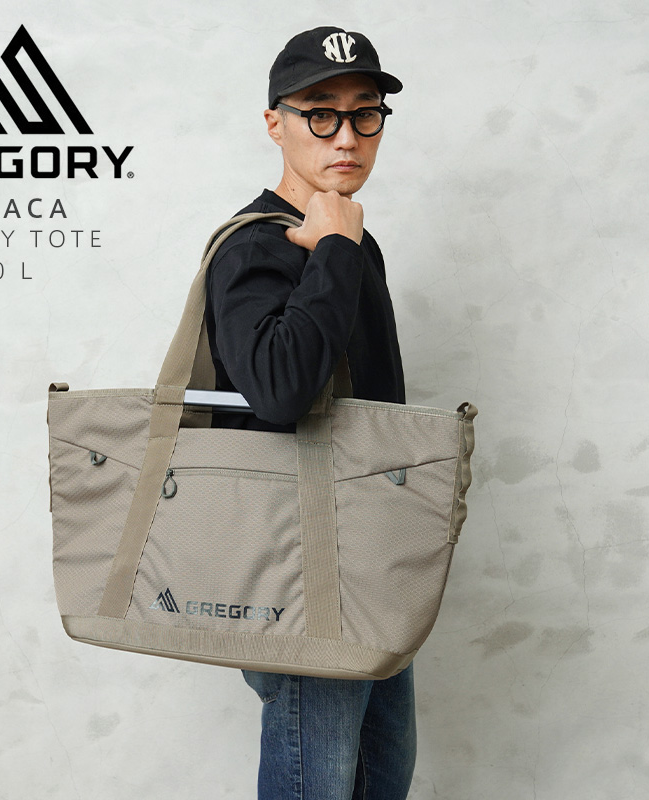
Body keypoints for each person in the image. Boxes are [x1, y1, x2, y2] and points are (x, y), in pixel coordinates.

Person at [204, 26, 415, 800]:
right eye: (320, 113)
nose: (346, 136)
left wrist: (341, 250)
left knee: (380, 777)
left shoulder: (352, 240)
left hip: (372, 560)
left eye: (365, 113)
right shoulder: (255, 247)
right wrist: (330, 255)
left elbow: (373, 410)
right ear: (276, 123)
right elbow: (280, 392)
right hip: (301, 570)